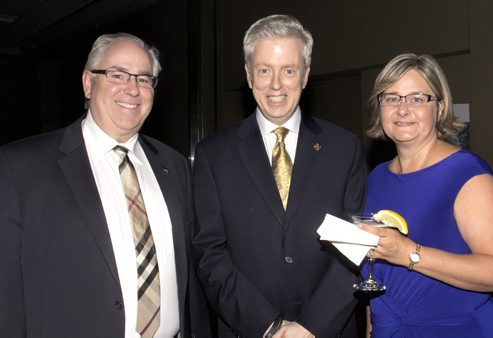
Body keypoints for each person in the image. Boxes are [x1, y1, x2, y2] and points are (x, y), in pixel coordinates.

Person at [0, 32, 212, 337]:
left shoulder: (174, 166)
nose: (132, 89)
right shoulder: (20, 167)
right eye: (117, 74)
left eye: (143, 79)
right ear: (88, 83)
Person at [192, 14, 367, 337]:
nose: (276, 84)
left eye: (288, 70)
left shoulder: (345, 148)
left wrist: (311, 326)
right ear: (248, 75)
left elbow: (354, 249)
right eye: (264, 70)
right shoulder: (212, 155)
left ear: (305, 76)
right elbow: (209, 254)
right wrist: (269, 325)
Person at [359, 53, 493, 337]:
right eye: (392, 98)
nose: (403, 109)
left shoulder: (464, 172)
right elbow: (377, 263)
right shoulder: (377, 177)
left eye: (417, 98)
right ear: (379, 107)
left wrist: (410, 254)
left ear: (440, 107)